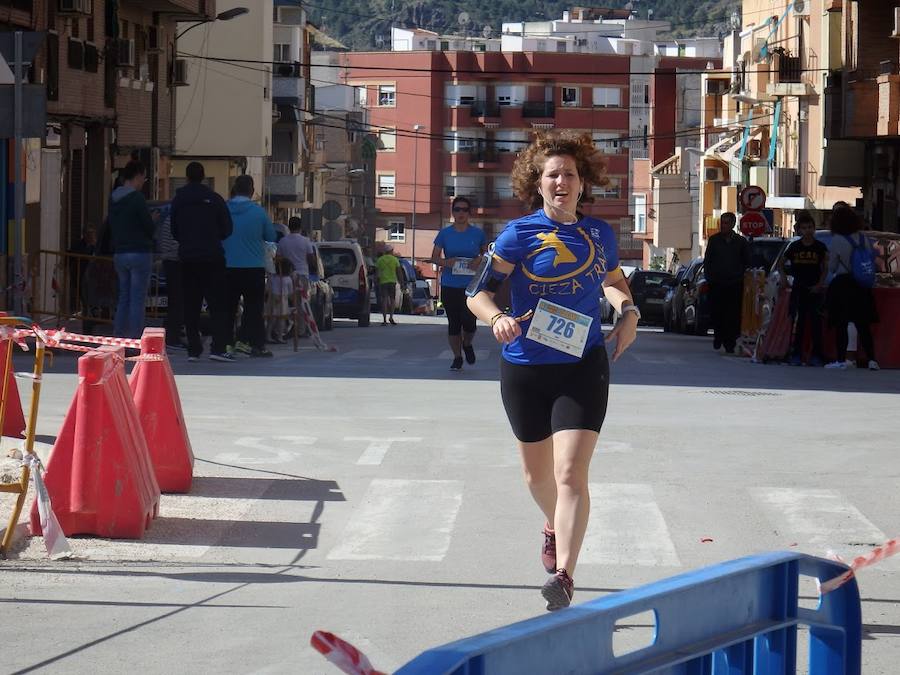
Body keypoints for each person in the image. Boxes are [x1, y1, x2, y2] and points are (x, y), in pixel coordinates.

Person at [466, 130, 638, 611]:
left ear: (584, 183)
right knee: (536, 478)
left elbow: (615, 283)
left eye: (570, 174)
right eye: (552, 175)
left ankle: (564, 575)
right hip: (525, 367)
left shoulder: (599, 235)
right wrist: (497, 318)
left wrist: (629, 314)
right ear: (537, 184)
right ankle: (552, 524)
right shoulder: (517, 235)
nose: (562, 181)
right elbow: (477, 294)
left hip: (582, 363)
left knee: (569, 475)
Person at [170, 161, 235, 362]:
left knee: (191, 304)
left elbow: (174, 229)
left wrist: (188, 242)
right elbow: (227, 229)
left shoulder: (179, 200)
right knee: (217, 304)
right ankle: (218, 348)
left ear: (187, 177)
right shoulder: (214, 199)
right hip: (212, 258)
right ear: (203, 176)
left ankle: (193, 349)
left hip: (188, 258)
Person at [431, 196, 487, 370]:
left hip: (471, 286)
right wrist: (445, 262)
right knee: (454, 323)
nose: (460, 213)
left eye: (464, 210)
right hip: (449, 285)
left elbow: (488, 257)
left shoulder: (478, 234)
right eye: (457, 209)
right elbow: (434, 257)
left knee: (469, 323)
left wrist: (479, 259)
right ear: (453, 212)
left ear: (469, 213)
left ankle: (467, 343)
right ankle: (457, 357)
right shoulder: (444, 234)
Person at [224, 175, 277, 358]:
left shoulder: (224, 209)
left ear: (234, 189)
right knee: (253, 308)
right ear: (252, 191)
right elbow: (271, 236)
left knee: (228, 308)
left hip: (227, 266)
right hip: (253, 267)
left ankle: (226, 344)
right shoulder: (258, 212)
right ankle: (253, 344)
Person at [824, 206, 879, 370]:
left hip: (843, 285)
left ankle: (841, 360)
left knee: (841, 324)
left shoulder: (837, 240)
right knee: (863, 325)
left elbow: (832, 267)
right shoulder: (863, 238)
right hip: (862, 286)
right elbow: (871, 259)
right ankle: (872, 360)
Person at [108, 161, 155, 338]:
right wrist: (154, 219)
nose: (143, 182)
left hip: (120, 253)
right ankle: (135, 339)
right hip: (139, 252)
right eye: (143, 178)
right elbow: (148, 227)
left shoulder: (113, 199)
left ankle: (119, 336)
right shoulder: (137, 198)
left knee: (124, 298)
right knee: (137, 300)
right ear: (137, 176)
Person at [780, 211, 828, 366]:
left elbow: (825, 268)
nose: (807, 230)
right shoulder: (794, 247)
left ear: (814, 228)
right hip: (799, 288)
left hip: (814, 289)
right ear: (799, 230)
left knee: (816, 324)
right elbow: (782, 263)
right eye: (804, 227)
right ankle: (796, 355)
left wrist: (820, 284)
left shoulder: (820, 247)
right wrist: (783, 278)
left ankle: (816, 356)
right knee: (798, 323)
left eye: (810, 227)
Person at [703, 212, 749, 353]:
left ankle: (730, 342)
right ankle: (718, 336)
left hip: (735, 284)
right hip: (717, 283)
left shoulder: (741, 242)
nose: (724, 225)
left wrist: (741, 277)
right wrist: (710, 277)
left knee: (733, 314)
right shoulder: (714, 240)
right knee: (717, 313)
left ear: (733, 224)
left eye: (727, 223)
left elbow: (746, 262)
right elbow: (708, 261)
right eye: (722, 223)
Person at [277, 216, 318, 336]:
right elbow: (311, 258)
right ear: (300, 227)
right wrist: (313, 268)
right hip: (302, 275)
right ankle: (300, 330)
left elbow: (278, 258)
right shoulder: (305, 241)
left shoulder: (283, 241)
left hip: (286, 276)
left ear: (289, 227)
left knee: (286, 302)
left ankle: (285, 329)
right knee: (301, 303)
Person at [266, 257, 294, 344]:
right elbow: (290, 292)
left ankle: (268, 336)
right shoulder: (288, 279)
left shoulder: (272, 278)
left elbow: (267, 289)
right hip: (283, 300)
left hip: (272, 299)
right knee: (281, 319)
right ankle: (280, 336)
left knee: (272, 319)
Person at [375, 246, 401, 326]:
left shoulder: (380, 260)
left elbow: (377, 272)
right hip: (392, 282)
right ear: (391, 251)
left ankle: (384, 319)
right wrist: (401, 282)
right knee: (392, 300)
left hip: (383, 282)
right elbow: (399, 272)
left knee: (384, 300)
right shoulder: (395, 260)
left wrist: (377, 281)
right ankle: (391, 317)